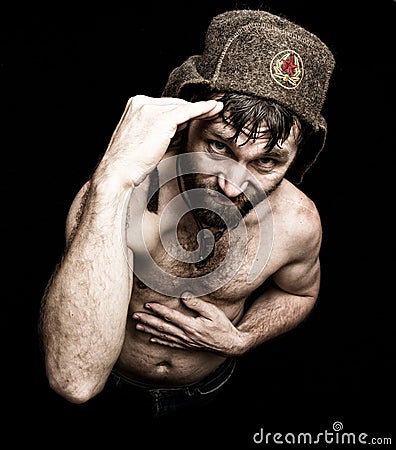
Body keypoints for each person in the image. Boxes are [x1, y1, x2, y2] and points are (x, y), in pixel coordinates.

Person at [39, 9, 335, 419]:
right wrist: (112, 179)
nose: (234, 185)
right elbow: (74, 379)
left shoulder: (297, 222)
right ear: (186, 120)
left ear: (296, 161)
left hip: (210, 394)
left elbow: (299, 291)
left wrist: (242, 339)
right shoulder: (114, 197)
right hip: (109, 391)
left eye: (266, 162)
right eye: (219, 147)